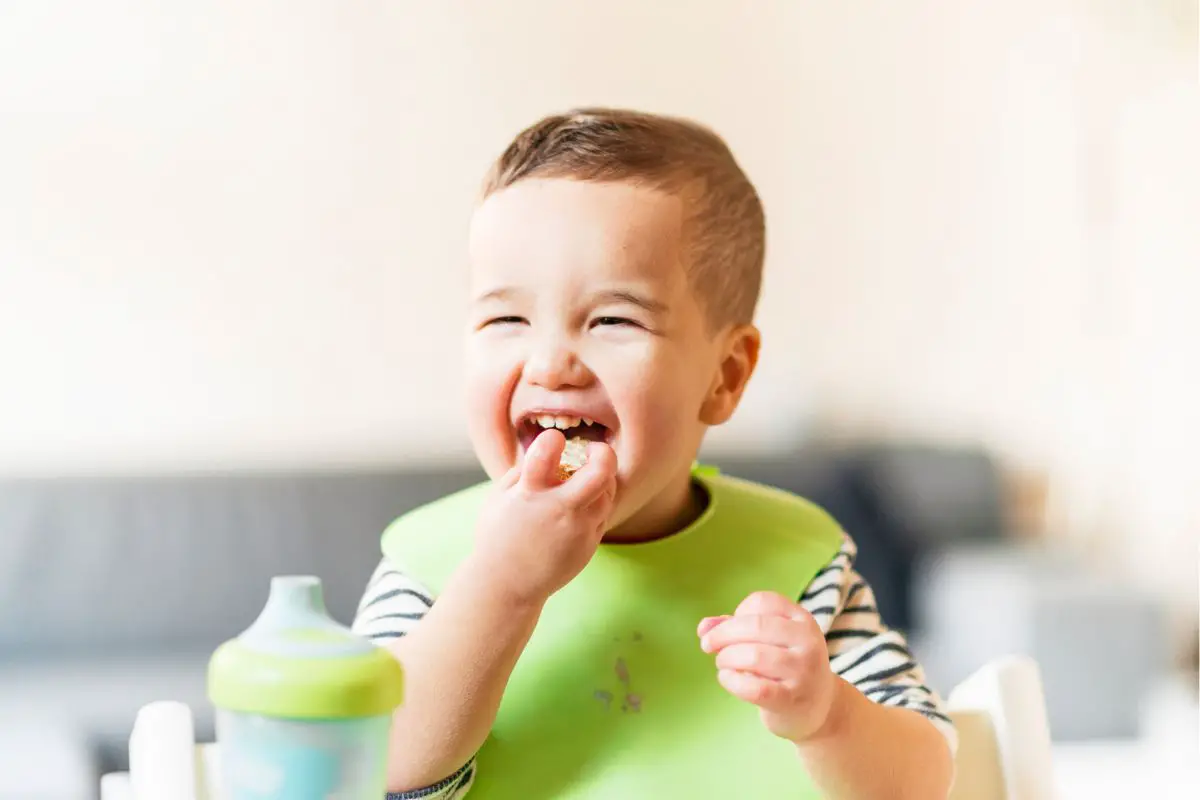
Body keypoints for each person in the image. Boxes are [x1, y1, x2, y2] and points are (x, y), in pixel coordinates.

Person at [354, 108, 956, 799]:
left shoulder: (800, 565)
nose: (550, 363)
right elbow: (370, 768)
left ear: (725, 376)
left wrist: (826, 717)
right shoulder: (428, 566)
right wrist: (502, 586)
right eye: (506, 319)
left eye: (612, 319)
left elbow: (925, 780)